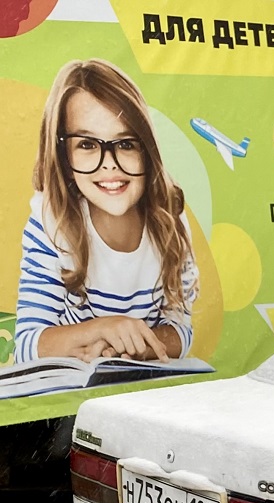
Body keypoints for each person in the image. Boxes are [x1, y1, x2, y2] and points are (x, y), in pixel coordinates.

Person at [15, 58, 198, 365]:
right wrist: (104, 329)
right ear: (63, 155)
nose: (109, 163)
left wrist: (140, 344)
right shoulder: (50, 224)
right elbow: (27, 345)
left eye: (126, 143)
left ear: (147, 150)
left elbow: (181, 329)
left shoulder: (170, 217)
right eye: (87, 144)